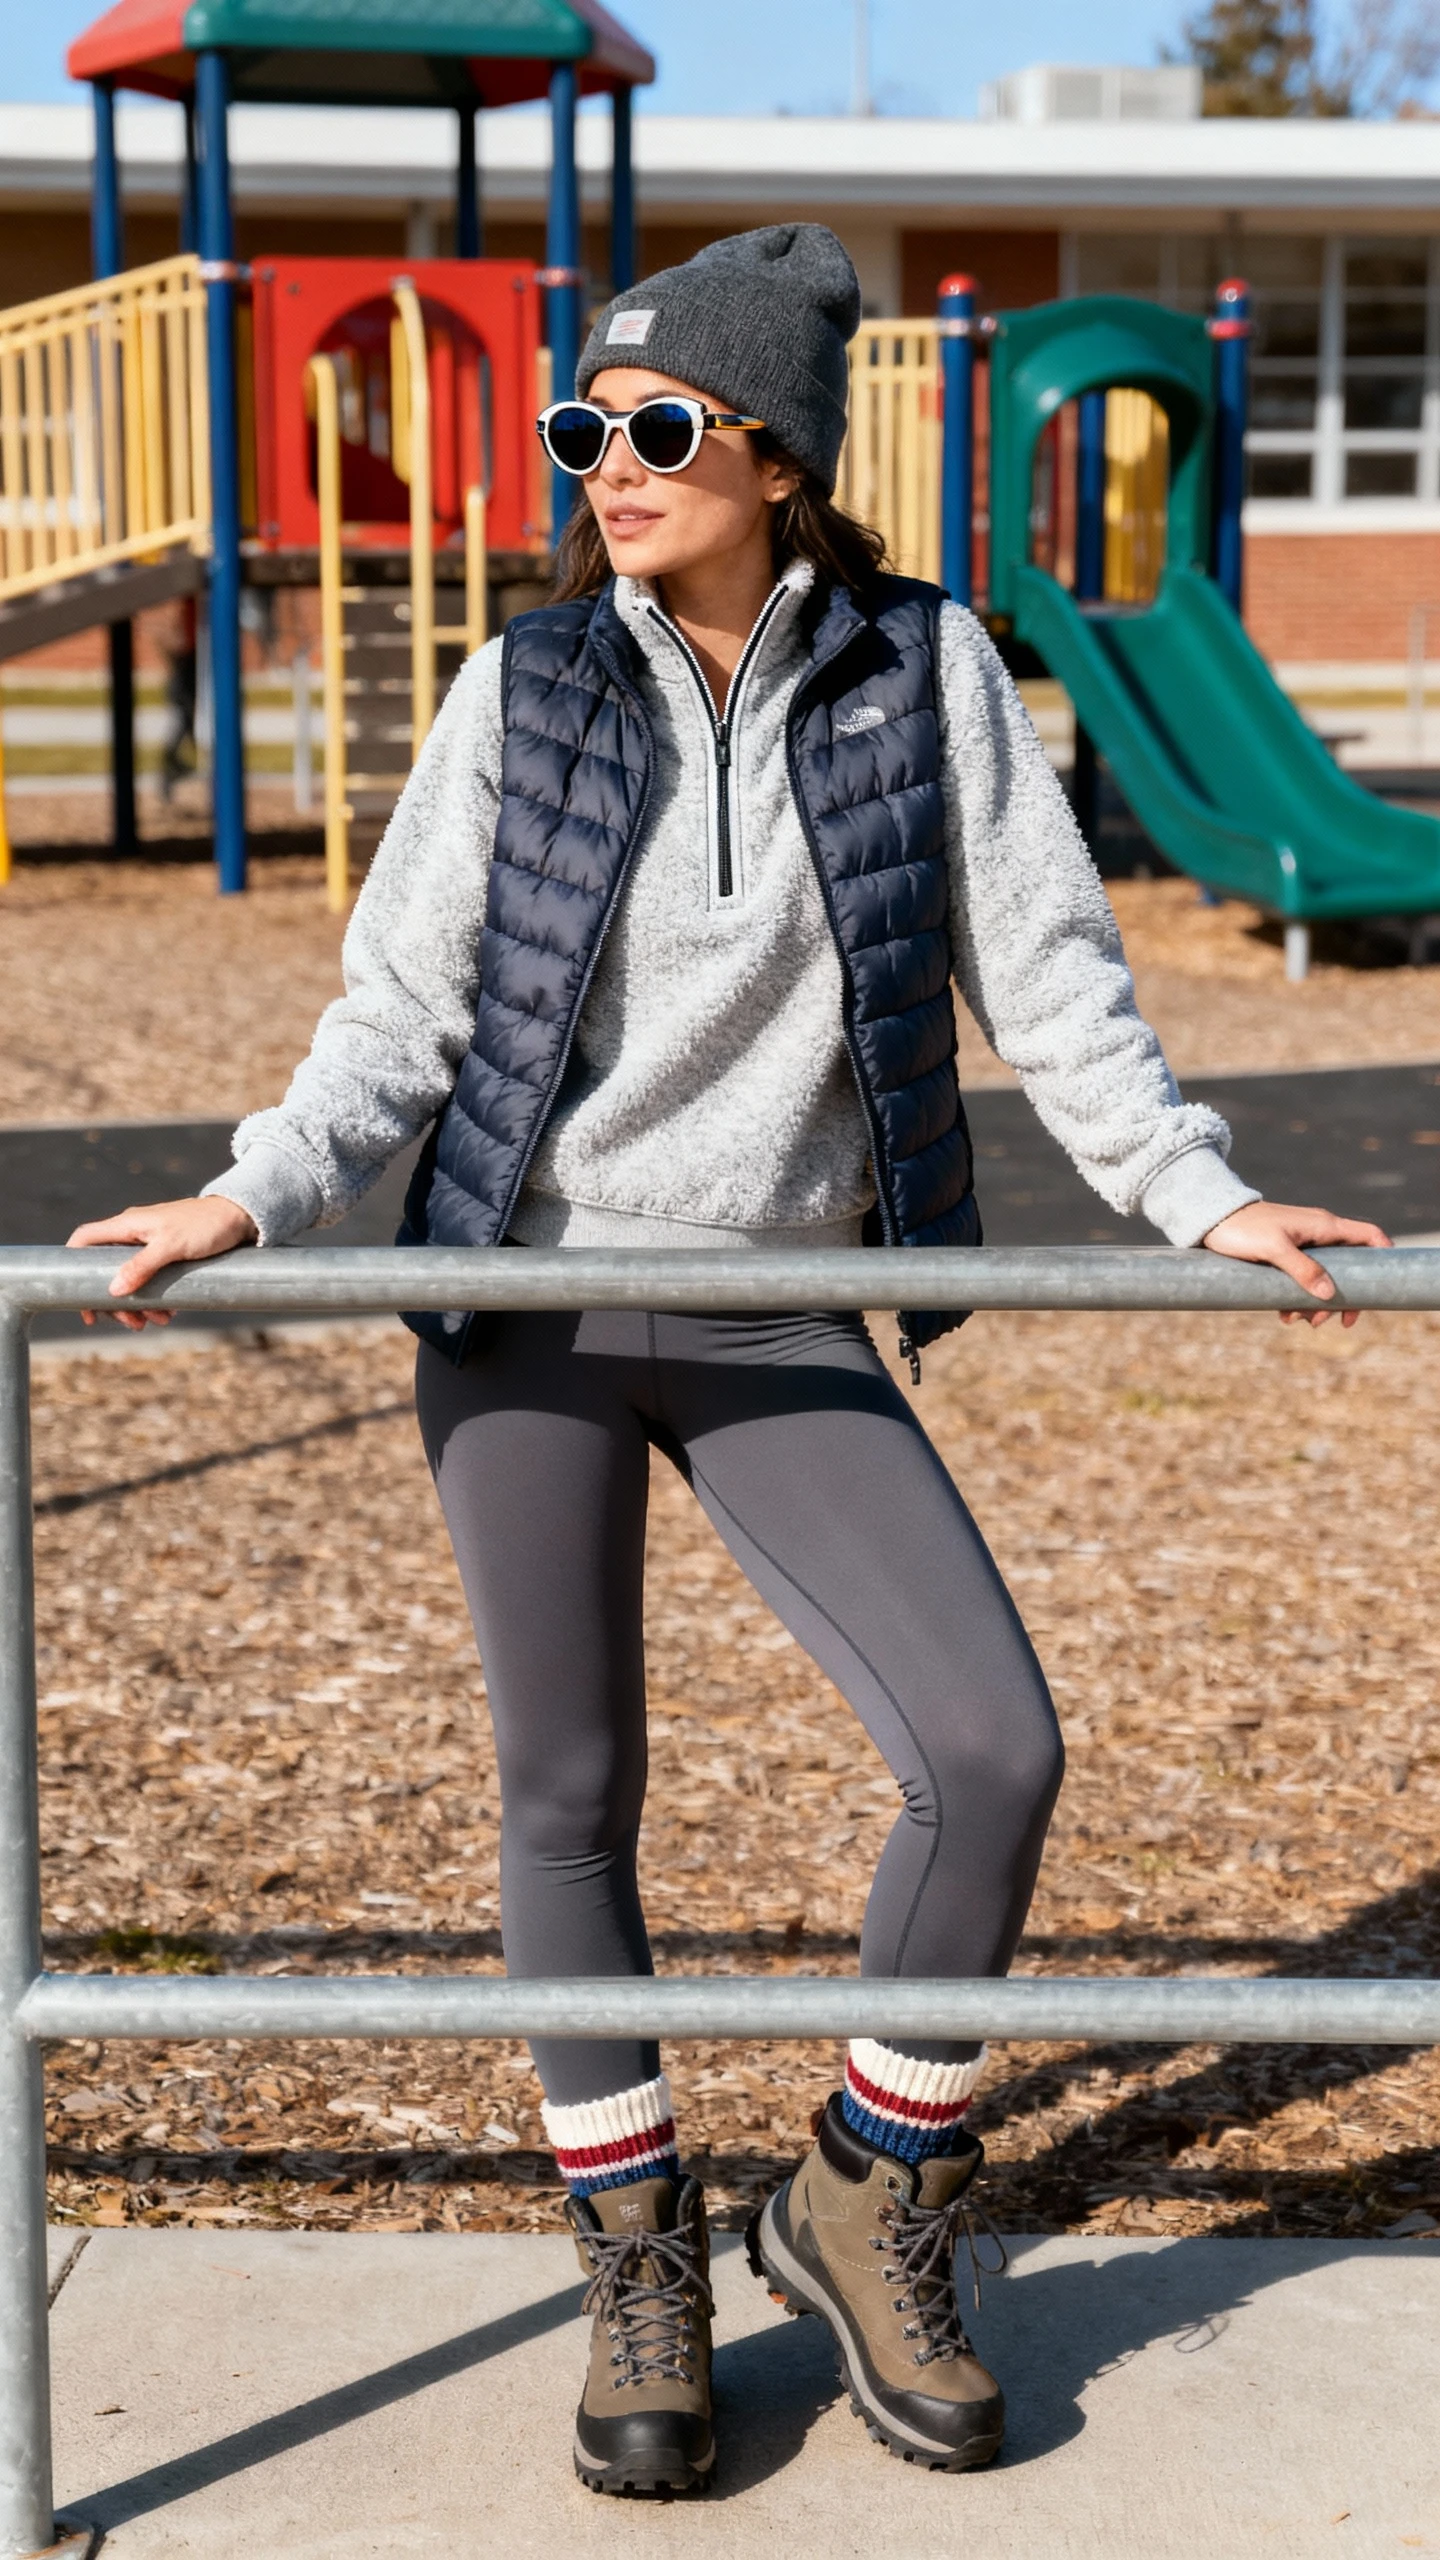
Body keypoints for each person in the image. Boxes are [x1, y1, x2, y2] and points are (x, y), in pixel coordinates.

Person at [69, 226, 1387, 2498]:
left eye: (657, 428)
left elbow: (1052, 983)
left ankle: (870, 2187)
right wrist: (253, 1192)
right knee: (570, 1791)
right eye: (585, 429)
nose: (608, 466)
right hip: (525, 1296)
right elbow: (399, 1014)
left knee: (990, 1745)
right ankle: (638, 2252)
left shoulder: (928, 671)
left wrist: (1198, 1194)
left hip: (779, 1297)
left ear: (776, 451)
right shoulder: (528, 685)